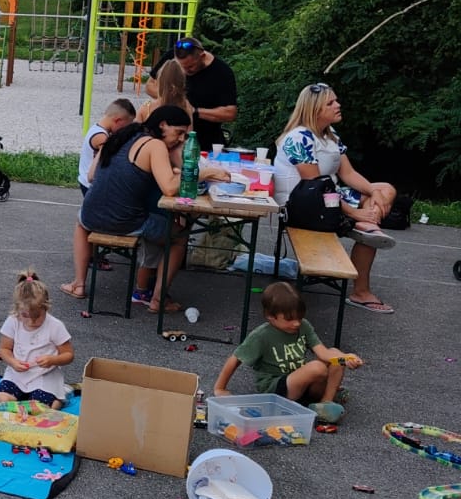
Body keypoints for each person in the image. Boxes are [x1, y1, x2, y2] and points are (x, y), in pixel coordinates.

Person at [271, 82, 398, 313]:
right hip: (302, 204)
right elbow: (315, 186)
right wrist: (352, 211)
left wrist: (374, 192)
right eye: (331, 103)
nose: (338, 105)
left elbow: (347, 173)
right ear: (315, 110)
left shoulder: (330, 135)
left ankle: (367, 225)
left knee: (386, 189)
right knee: (367, 218)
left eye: (336, 100)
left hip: (327, 196)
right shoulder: (299, 137)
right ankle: (365, 238)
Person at [62, 106, 202, 310]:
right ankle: (157, 299)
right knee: (179, 237)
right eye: (179, 132)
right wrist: (203, 174)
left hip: (90, 214)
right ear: (162, 125)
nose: (181, 139)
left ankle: (79, 284)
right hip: (126, 221)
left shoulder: (120, 136)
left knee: (81, 223)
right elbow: (170, 188)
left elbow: (91, 176)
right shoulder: (154, 145)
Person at [211, 282, 362, 422]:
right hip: (276, 389)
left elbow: (322, 352)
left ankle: (325, 403)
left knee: (335, 354)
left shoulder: (304, 325)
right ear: (271, 317)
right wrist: (220, 388)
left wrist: (345, 357)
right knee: (318, 367)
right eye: (289, 319)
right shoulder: (262, 335)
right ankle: (330, 393)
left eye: (299, 317)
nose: (296, 323)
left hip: (300, 383)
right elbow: (235, 358)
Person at [0, 270, 75, 408]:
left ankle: (59, 397)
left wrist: (52, 360)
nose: (31, 321)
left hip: (44, 376)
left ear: (46, 308)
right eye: (25, 315)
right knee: (0, 398)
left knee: (40, 406)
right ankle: (26, 405)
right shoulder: (13, 321)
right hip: (17, 375)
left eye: (37, 317)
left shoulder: (55, 326)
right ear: (17, 310)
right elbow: (5, 348)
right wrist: (13, 362)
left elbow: (69, 355)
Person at [158, 37, 237, 151]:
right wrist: (171, 98)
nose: (185, 71)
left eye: (190, 66)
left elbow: (230, 113)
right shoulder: (171, 57)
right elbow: (151, 85)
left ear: (202, 56)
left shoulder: (222, 72)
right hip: (170, 138)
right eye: (181, 67)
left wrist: (195, 111)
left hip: (206, 141)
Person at [79, 99, 137, 194]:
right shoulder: (101, 137)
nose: (126, 130)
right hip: (92, 185)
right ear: (117, 120)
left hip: (86, 182)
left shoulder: (96, 129)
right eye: (126, 126)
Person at [138, 57, 192, 124]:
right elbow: (190, 133)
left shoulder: (146, 108)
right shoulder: (186, 107)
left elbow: (134, 131)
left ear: (159, 82)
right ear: (183, 83)